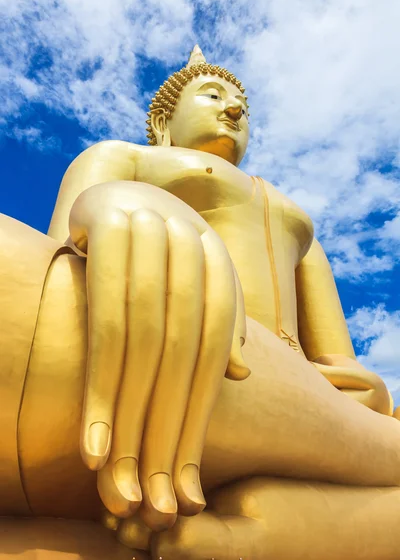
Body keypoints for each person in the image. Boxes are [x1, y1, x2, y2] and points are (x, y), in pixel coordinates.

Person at [1, 46, 399, 560]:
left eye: (243, 106)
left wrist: (355, 382)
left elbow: (338, 357)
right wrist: (115, 205)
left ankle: (269, 534)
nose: (233, 110)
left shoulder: (296, 221)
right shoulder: (128, 157)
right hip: (167, 332)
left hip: (296, 391)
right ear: (164, 119)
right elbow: (60, 256)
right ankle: (310, 521)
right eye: (211, 95)